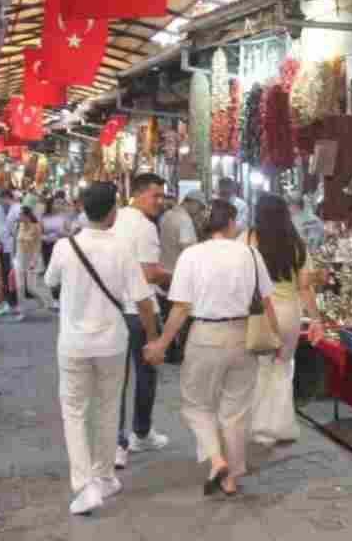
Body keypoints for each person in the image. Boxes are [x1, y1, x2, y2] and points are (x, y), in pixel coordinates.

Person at [143, 200, 278, 497]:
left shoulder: (191, 256)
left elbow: (180, 308)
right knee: (236, 411)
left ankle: (217, 461)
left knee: (196, 405)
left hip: (205, 335)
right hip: (243, 335)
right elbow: (267, 301)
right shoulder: (250, 254)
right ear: (230, 223)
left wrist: (161, 343)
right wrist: (276, 338)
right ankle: (232, 477)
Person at [45, 182, 157, 515]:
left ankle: (84, 485)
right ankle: (104, 476)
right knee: (108, 408)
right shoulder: (122, 248)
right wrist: (152, 337)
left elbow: (50, 282)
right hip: (112, 342)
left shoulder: (65, 248)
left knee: (75, 412)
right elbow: (143, 299)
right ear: (113, 212)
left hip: (73, 344)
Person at [243, 194, 323, 445]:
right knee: (283, 366)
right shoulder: (296, 243)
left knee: (260, 367)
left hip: (259, 312)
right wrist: (316, 319)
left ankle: (258, 427)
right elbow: (305, 287)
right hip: (289, 312)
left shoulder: (247, 238)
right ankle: (280, 425)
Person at [111, 173, 172, 468]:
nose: (159, 202)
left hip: (113, 310)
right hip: (141, 311)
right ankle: (141, 432)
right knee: (147, 372)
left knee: (116, 379)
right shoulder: (145, 227)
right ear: (137, 194)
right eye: (154, 196)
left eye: (162, 196)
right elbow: (149, 273)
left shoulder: (115, 219)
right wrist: (173, 277)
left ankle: (116, 444)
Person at [15, 205, 56, 314]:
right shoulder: (19, 225)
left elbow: (38, 245)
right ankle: (21, 310)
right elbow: (16, 243)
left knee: (31, 287)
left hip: (32, 257)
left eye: (20, 214)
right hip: (19, 257)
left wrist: (34, 260)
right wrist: (14, 258)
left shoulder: (36, 227)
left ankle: (45, 303)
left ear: (26, 215)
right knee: (20, 286)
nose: (19, 216)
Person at [159, 191, 204, 274]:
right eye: (200, 207)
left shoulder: (166, 214)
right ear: (193, 203)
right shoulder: (184, 220)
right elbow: (187, 249)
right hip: (177, 272)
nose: (199, 211)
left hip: (163, 269)